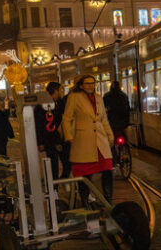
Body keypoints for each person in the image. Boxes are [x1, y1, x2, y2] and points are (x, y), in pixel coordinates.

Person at [62, 74, 115, 204]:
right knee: (85, 172)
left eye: (93, 83)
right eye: (88, 83)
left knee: (107, 169)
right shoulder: (74, 97)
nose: (91, 85)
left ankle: (108, 200)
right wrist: (68, 136)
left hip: (100, 139)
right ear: (81, 85)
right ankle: (85, 200)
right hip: (83, 140)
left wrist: (110, 135)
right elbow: (67, 118)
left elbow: (104, 119)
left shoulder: (98, 98)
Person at [34, 82, 65, 179]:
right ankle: (53, 187)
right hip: (49, 138)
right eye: (61, 90)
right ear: (55, 91)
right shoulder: (44, 105)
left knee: (62, 162)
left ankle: (58, 182)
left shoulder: (57, 103)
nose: (62, 92)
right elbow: (39, 125)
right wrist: (40, 142)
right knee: (53, 164)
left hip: (56, 137)